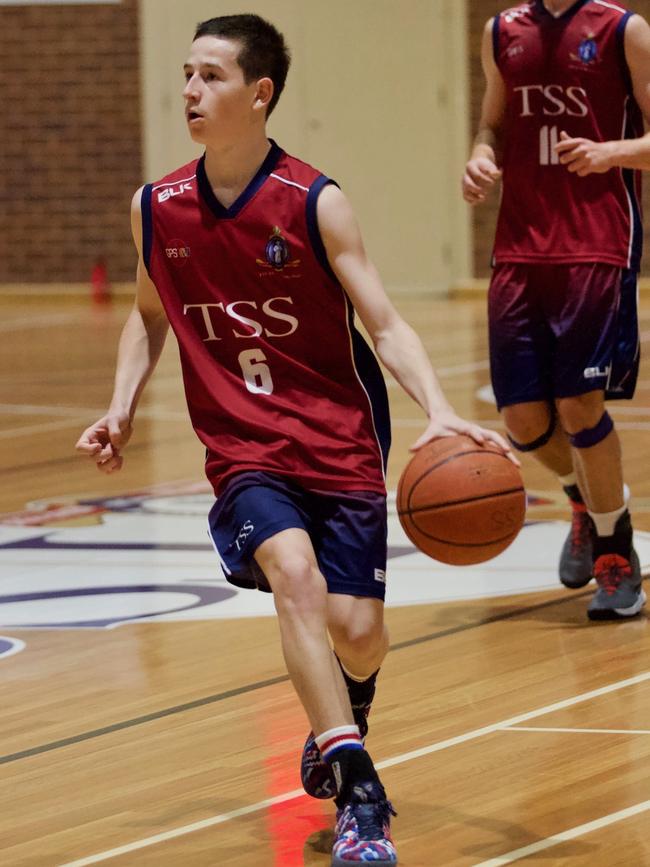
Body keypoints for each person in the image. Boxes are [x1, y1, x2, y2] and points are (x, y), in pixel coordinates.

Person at [76, 14, 514, 865]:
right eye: (188, 74)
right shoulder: (156, 208)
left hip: (341, 440)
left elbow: (382, 324)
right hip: (245, 450)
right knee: (293, 574)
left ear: (259, 93)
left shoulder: (316, 201)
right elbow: (146, 315)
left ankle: (348, 703)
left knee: (358, 630)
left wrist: (438, 411)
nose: (190, 91)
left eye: (210, 77)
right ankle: (360, 792)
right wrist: (122, 404)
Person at [463, 0, 650, 620]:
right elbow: (492, 124)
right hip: (519, 245)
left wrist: (610, 154)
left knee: (578, 405)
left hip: (596, 242)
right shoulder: (501, 32)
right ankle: (588, 499)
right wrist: (481, 155)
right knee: (519, 420)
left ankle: (614, 551)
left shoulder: (623, 29)